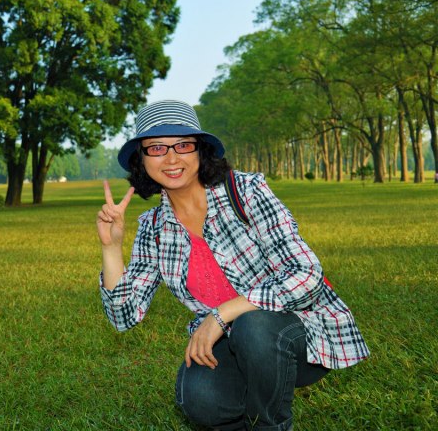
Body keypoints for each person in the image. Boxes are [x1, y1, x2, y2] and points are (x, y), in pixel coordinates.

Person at [96, 100, 369, 430]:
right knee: (201, 400)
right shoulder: (154, 227)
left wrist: (221, 314)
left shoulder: (246, 192)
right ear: (142, 159)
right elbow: (123, 316)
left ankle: (270, 425)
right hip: (229, 337)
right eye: (156, 148)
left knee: (253, 326)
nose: (171, 158)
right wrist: (111, 248)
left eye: (183, 145)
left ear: (200, 150)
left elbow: (306, 275)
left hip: (299, 329)